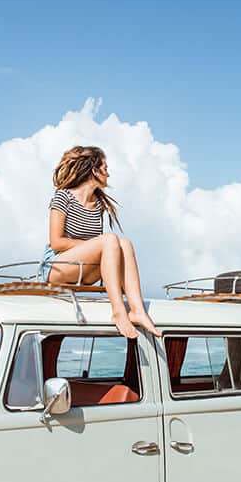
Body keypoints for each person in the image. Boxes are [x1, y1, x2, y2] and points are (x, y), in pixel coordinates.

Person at [39, 145, 161, 339]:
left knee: (124, 243)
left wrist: (100, 246)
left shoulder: (98, 204)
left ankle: (137, 310)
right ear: (93, 170)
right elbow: (56, 242)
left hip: (85, 270)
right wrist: (97, 245)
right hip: (57, 267)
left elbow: (101, 247)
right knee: (110, 240)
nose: (108, 174)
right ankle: (118, 311)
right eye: (104, 168)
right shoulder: (63, 197)